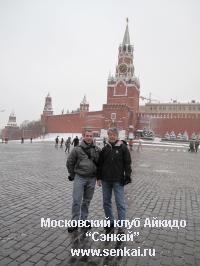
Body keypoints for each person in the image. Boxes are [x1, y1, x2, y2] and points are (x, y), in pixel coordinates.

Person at [97, 128, 132, 233]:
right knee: (106, 202)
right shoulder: (105, 149)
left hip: (118, 180)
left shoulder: (123, 148)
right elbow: (100, 164)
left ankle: (121, 225)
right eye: (110, 135)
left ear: (117, 136)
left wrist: (127, 176)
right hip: (106, 180)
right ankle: (110, 222)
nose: (112, 136)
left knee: (120, 203)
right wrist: (98, 178)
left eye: (114, 135)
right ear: (108, 135)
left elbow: (127, 163)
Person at [66, 130, 101, 233]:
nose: (89, 137)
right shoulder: (77, 149)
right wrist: (72, 175)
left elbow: (100, 164)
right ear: (83, 136)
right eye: (87, 136)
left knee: (87, 201)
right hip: (80, 178)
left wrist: (99, 177)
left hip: (91, 179)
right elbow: (69, 162)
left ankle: (83, 220)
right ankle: (74, 221)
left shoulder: (97, 149)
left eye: (90, 136)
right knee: (77, 200)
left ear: (92, 137)